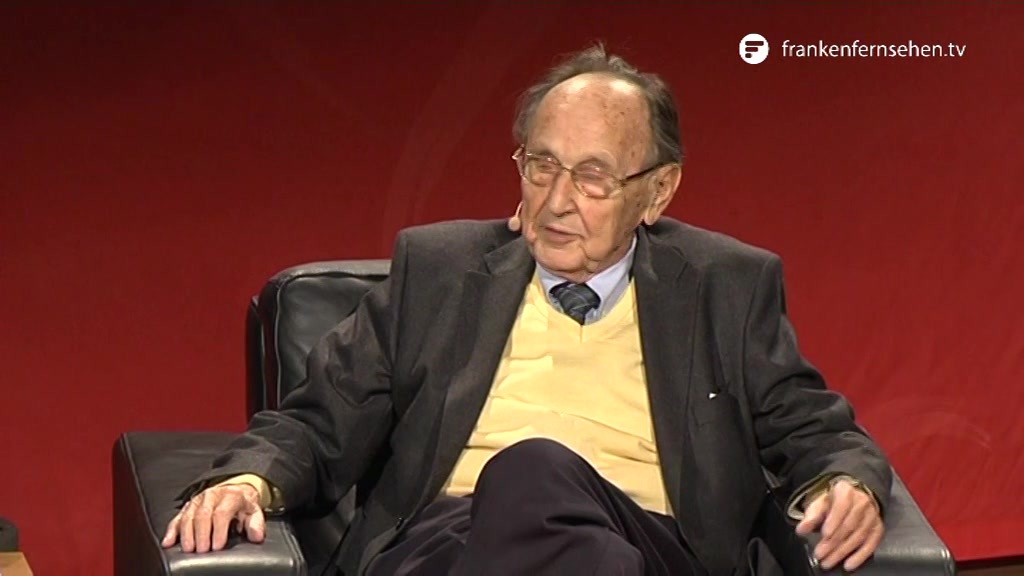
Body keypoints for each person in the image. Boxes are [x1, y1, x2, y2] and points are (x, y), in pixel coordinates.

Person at [162, 44, 891, 576]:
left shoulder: (725, 286)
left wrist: (847, 483)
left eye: (592, 177)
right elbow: (319, 420)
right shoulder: (441, 272)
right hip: (444, 544)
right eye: (541, 165)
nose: (556, 200)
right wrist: (248, 480)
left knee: (535, 471)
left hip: (651, 543)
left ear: (658, 191)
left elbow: (816, 430)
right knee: (530, 485)